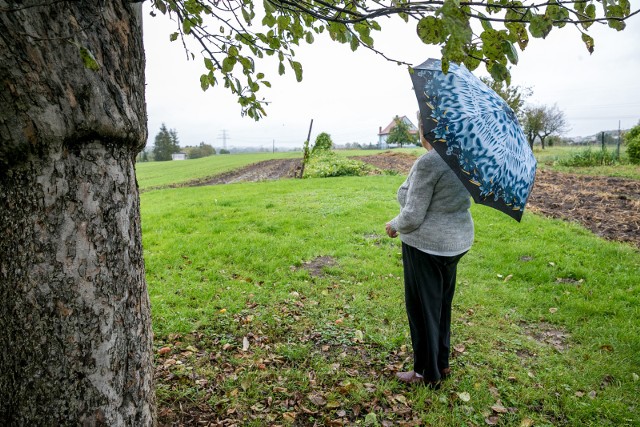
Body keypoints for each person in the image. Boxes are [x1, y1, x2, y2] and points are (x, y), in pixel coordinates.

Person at [385, 131, 474, 388]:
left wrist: (394, 225)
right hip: (456, 243)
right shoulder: (464, 158)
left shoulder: (430, 162)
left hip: (427, 246)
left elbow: (412, 215)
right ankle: (442, 363)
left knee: (423, 310)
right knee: (442, 305)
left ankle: (426, 372)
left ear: (426, 129)